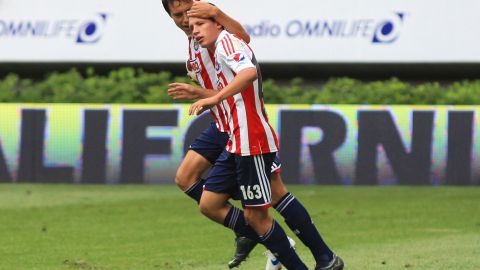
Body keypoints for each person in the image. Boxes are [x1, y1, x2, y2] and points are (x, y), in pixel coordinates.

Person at [165, 1, 344, 269]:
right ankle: (271, 239)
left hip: (245, 129)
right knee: (191, 184)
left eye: (190, 15)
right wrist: (202, 95)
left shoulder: (220, 33)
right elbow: (224, 86)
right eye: (178, 16)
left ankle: (314, 254)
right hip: (224, 123)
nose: (185, 20)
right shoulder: (196, 42)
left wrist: (215, 15)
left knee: (271, 195)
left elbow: (243, 51)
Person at [187, 15, 310, 269]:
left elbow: (249, 72)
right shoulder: (216, 48)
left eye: (200, 25)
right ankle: (280, 246)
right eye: (191, 27)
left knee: (257, 215)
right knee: (209, 203)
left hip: (251, 140)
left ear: (217, 22)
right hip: (235, 139)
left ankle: (295, 259)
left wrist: (214, 98)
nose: (195, 32)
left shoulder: (226, 43)